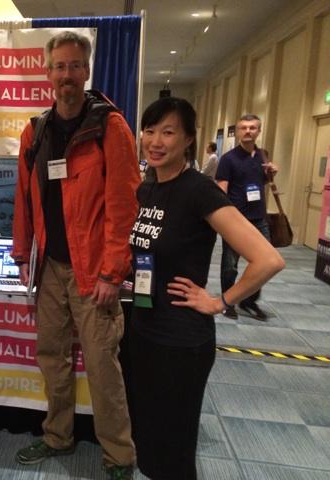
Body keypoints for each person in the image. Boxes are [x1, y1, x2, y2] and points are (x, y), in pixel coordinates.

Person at [128, 97, 284, 480]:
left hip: (181, 341)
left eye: (168, 132)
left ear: (188, 140)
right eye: (150, 131)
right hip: (143, 330)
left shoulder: (198, 189)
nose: (156, 140)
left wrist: (220, 301)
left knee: (174, 449)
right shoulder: (148, 188)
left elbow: (267, 259)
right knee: (147, 438)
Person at [12, 31, 139, 479]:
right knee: (53, 357)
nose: (66, 75)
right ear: (48, 74)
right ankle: (57, 437)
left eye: (74, 66)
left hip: (94, 274)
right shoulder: (36, 130)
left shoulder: (110, 127)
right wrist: (21, 250)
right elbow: (25, 198)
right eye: (58, 67)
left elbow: (124, 207)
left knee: (103, 365)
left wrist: (112, 272)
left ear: (86, 72)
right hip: (50, 269)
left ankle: (119, 454)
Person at [215, 114, 279, 320]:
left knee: (264, 262)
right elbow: (221, 190)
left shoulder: (263, 156)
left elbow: (262, 183)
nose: (248, 131)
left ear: (259, 131)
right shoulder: (228, 159)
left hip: (259, 218)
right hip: (236, 220)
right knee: (230, 265)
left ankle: (249, 301)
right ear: (238, 132)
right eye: (243, 128)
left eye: (252, 128)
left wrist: (272, 174)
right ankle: (228, 302)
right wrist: (224, 220)